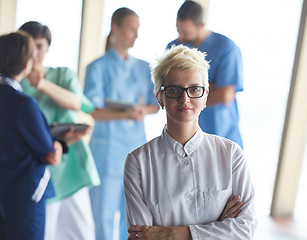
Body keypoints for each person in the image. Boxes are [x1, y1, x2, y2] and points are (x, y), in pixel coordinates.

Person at [124, 45, 256, 240]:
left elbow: (245, 229)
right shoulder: (138, 162)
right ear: (160, 97)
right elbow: (142, 237)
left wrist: (174, 234)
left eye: (194, 89)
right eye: (174, 90)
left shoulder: (231, 155)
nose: (184, 99)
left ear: (205, 96)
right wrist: (219, 224)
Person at [19, 21, 100, 240]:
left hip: (72, 166)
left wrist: (41, 84)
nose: (35, 52)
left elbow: (77, 103)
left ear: (48, 47)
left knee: (82, 234)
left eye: (40, 45)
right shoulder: (17, 86)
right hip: (42, 168)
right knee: (46, 233)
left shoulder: (62, 75)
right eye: (29, 45)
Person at [83, 7, 159, 240]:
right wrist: (127, 113)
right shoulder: (96, 68)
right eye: (130, 29)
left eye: (137, 30)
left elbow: (155, 105)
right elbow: (94, 110)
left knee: (133, 216)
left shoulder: (143, 67)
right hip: (107, 152)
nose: (135, 35)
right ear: (115, 28)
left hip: (135, 150)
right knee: (103, 216)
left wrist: (140, 110)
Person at [0, 31, 64, 239]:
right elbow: (49, 153)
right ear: (27, 64)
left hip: (0, 190)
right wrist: (58, 146)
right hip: (26, 196)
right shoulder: (24, 104)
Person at [167, 0, 244, 148]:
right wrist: (207, 87)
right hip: (183, 138)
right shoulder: (173, 47)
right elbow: (168, 92)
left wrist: (182, 90)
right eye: (178, 30)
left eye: (186, 33)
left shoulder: (227, 48)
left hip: (221, 134)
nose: (180, 37)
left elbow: (225, 95)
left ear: (201, 26)